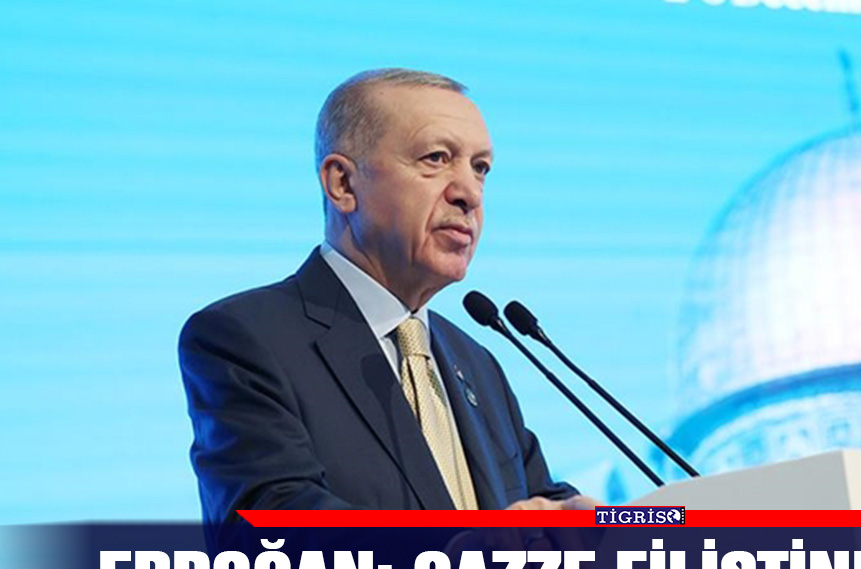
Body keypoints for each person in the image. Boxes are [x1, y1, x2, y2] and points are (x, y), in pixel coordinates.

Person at [179, 69, 594, 537]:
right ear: (342, 184)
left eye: (480, 168)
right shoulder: (245, 338)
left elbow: (536, 503)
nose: (470, 194)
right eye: (436, 158)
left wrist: (598, 521)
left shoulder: (476, 362)